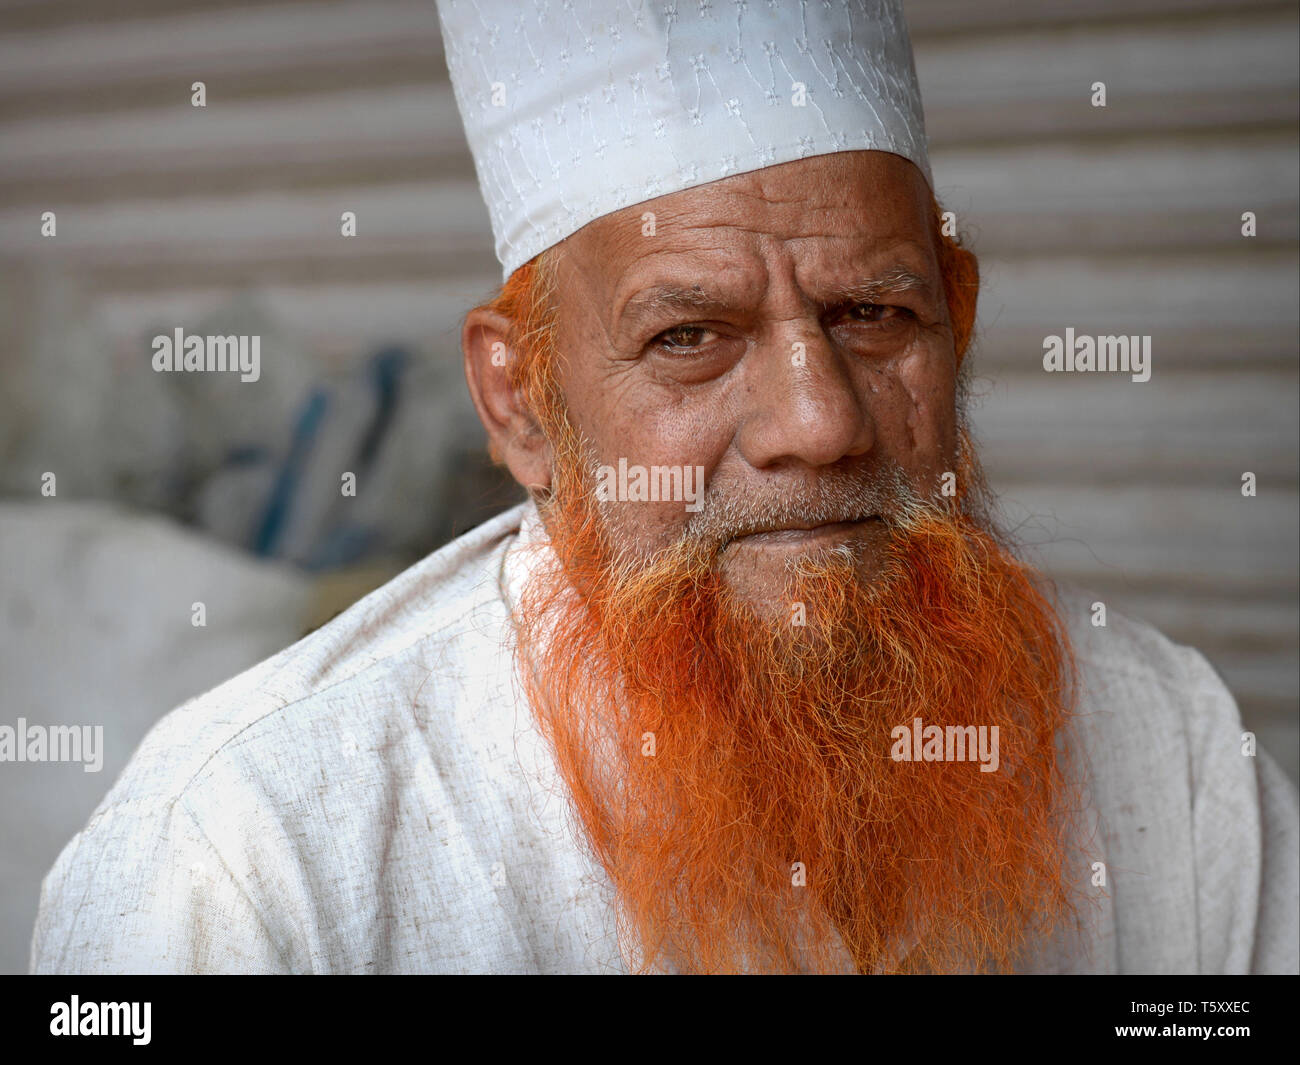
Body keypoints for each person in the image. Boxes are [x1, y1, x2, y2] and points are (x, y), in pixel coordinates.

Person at [30, 0, 1298, 974]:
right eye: (688, 337)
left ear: (956, 319)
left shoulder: (1175, 761)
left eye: (872, 314)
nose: (819, 423)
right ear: (520, 401)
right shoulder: (251, 864)